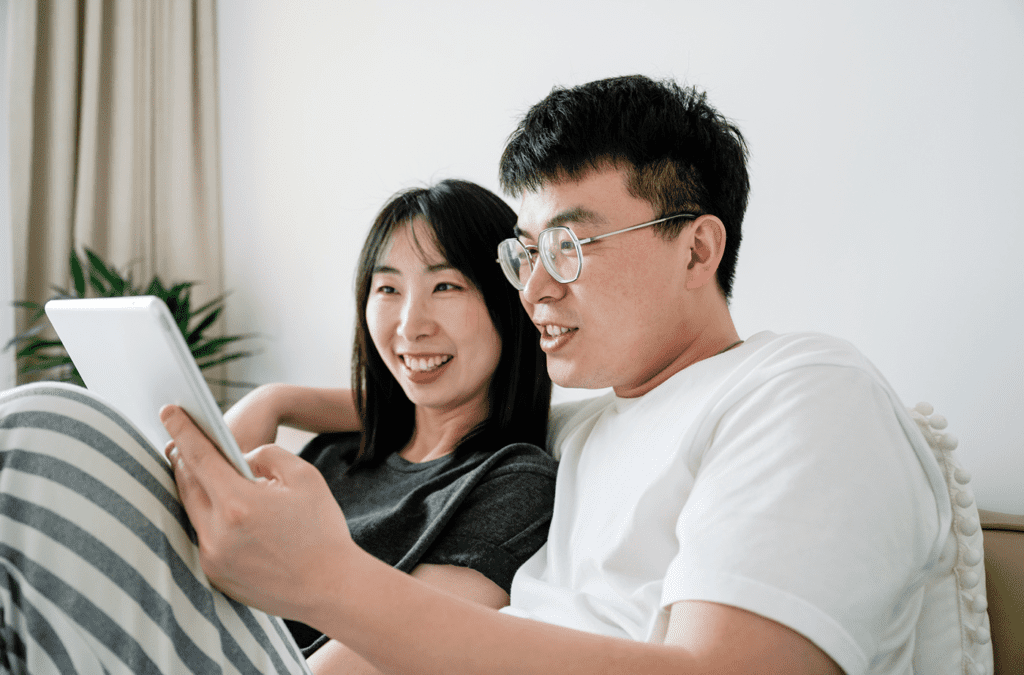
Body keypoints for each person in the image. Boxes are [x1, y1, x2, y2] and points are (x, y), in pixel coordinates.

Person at [162, 75, 988, 675]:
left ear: (697, 248)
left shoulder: (804, 392)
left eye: (570, 246)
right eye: (525, 253)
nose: (533, 287)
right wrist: (277, 401)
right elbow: (440, 404)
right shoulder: (593, 425)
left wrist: (329, 582)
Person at [0, 179, 556, 674]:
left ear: (509, 304)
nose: (411, 325)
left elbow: (411, 648)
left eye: (447, 287)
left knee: (41, 423)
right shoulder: (340, 452)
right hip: (189, 622)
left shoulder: (514, 481)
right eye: (387, 289)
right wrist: (275, 401)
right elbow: (180, 524)